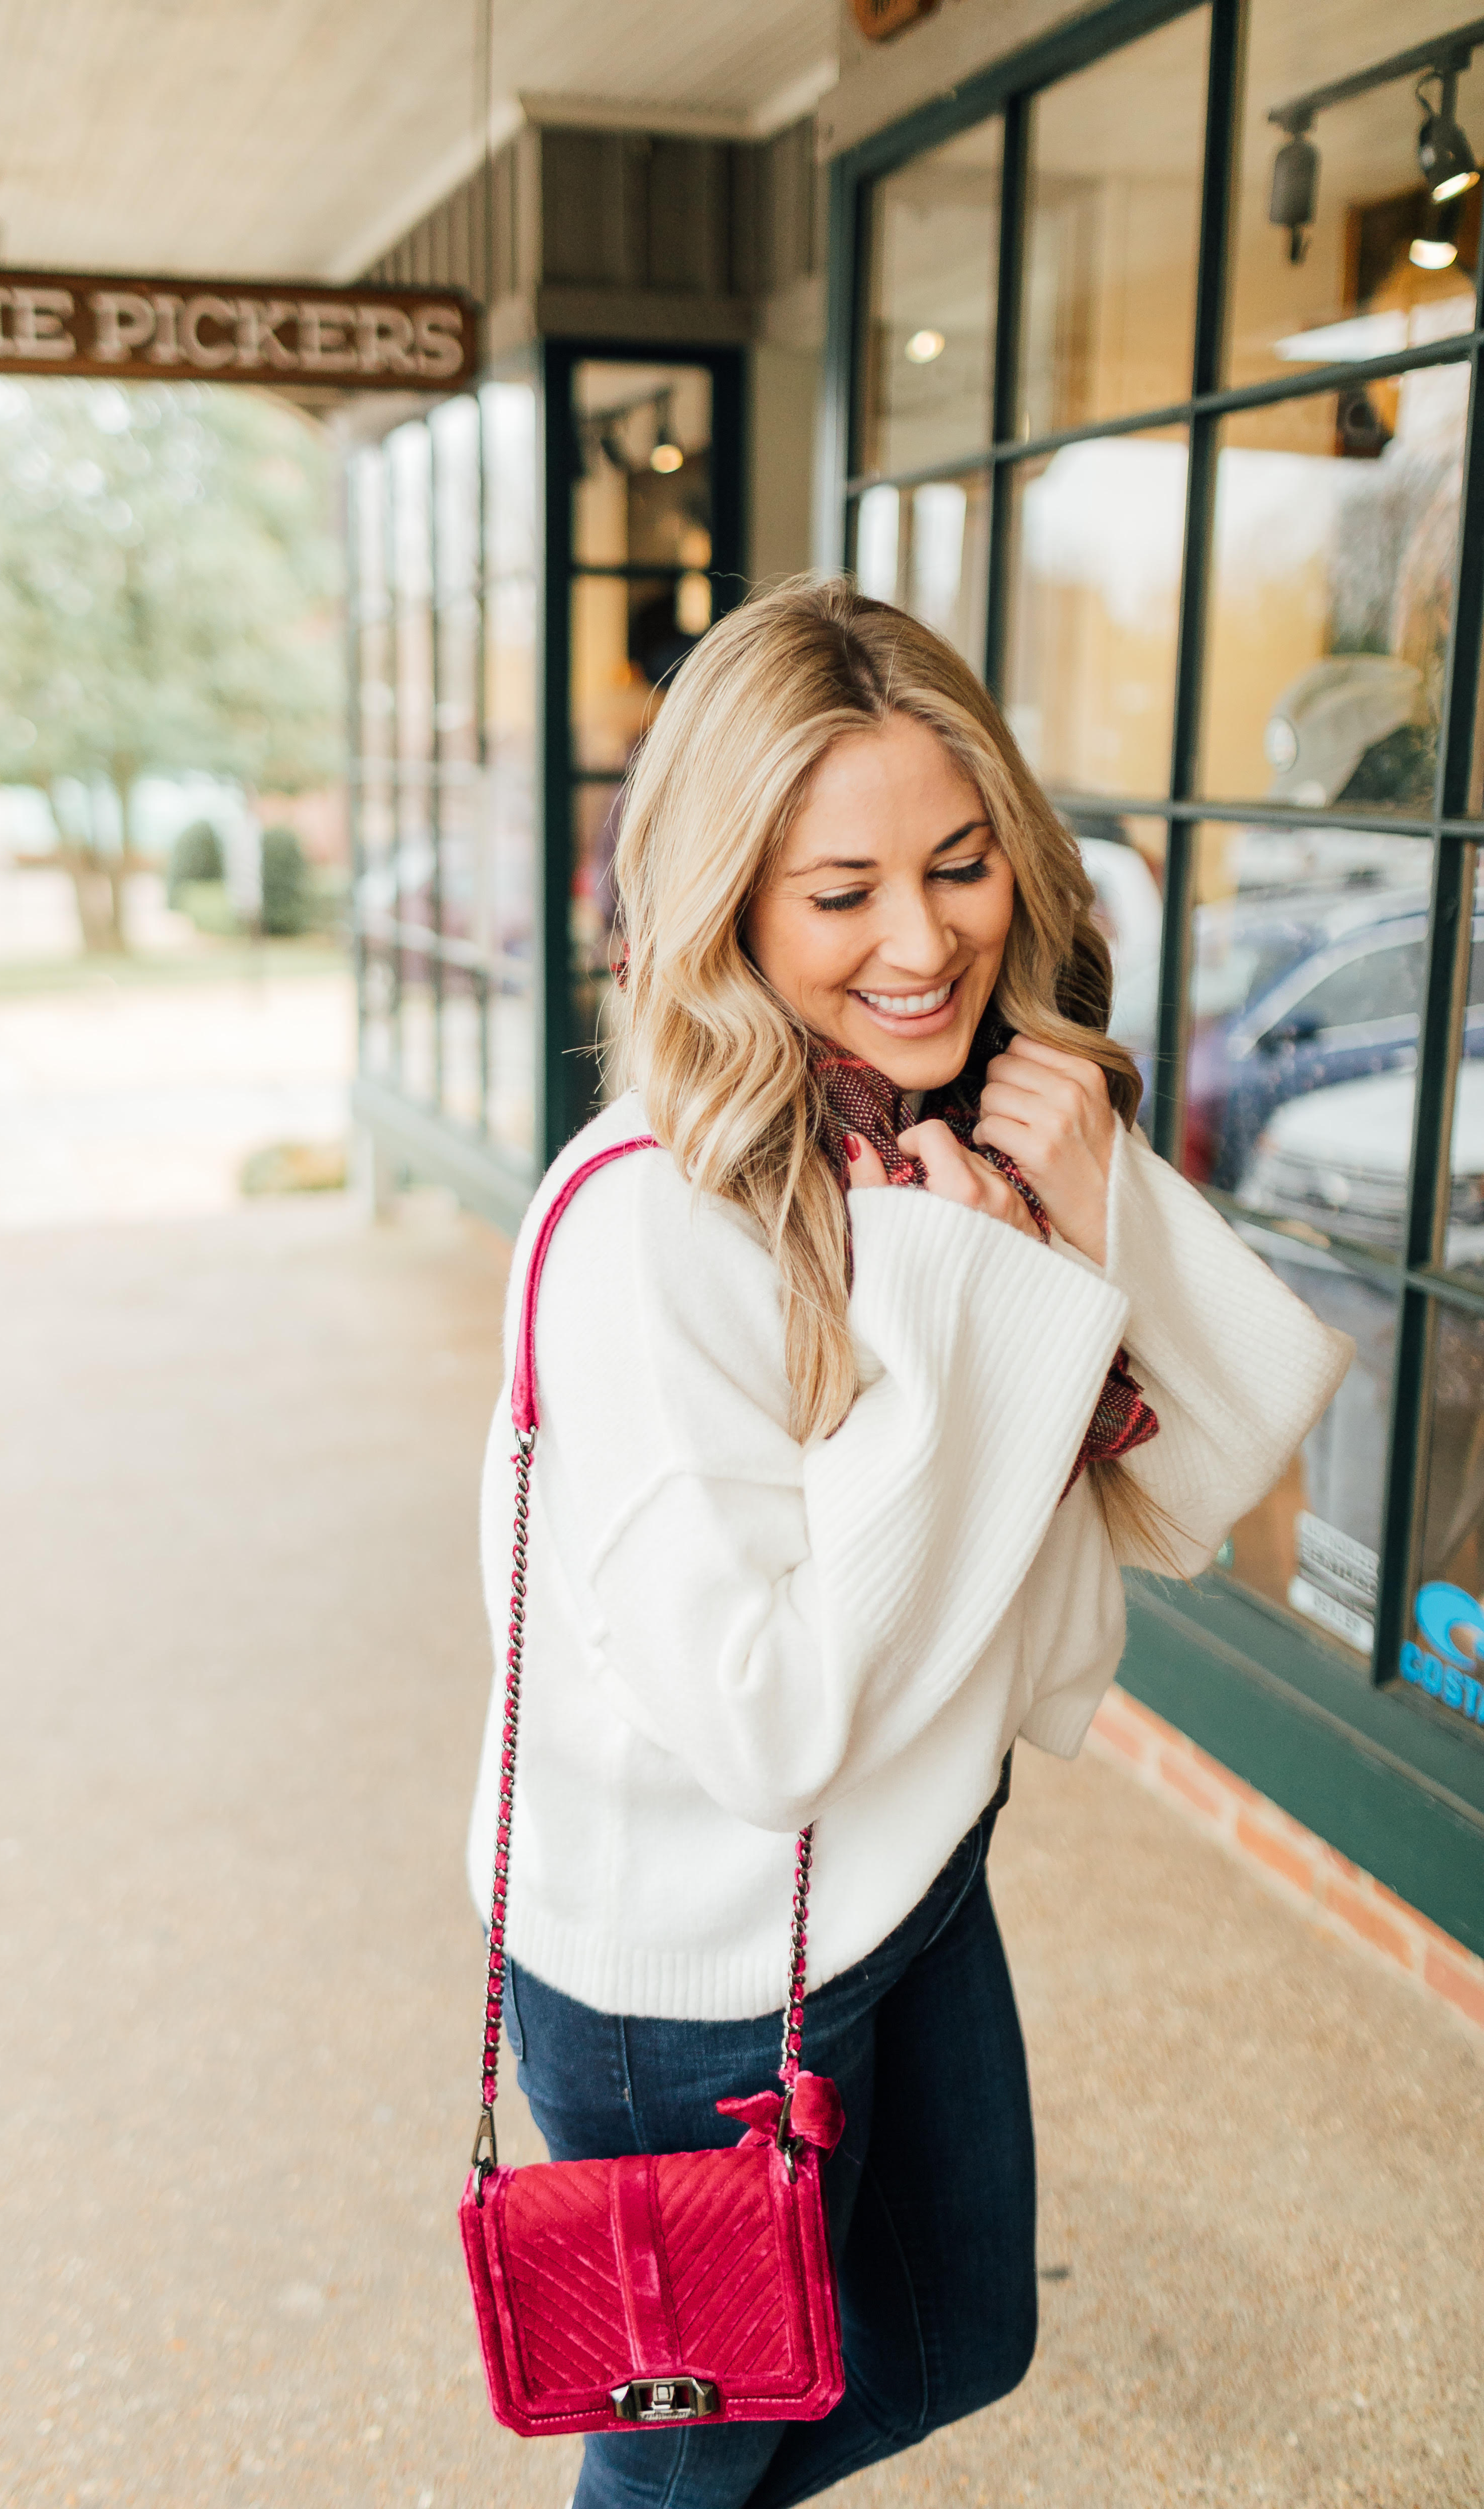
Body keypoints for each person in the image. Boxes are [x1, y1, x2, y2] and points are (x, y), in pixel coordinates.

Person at [466, 580, 1351, 2509]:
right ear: (728, 905)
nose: (922, 939)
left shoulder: (949, 1154)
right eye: (840, 889)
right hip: (688, 1969)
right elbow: (770, 1725)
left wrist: (1095, 1201)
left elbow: (1209, 1474)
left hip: (905, 1875)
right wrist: (968, 1300)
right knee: (691, 2462)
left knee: (958, 2334)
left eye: (958, 867)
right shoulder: (651, 1228)